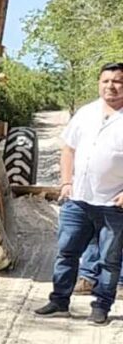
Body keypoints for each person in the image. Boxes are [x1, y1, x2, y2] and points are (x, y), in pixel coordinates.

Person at [34, 62, 123, 325]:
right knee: (66, 252)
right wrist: (65, 183)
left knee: (109, 259)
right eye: (106, 81)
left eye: (117, 81)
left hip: (113, 203)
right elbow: (68, 149)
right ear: (99, 83)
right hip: (78, 200)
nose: (111, 86)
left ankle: (101, 307)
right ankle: (59, 301)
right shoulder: (86, 113)